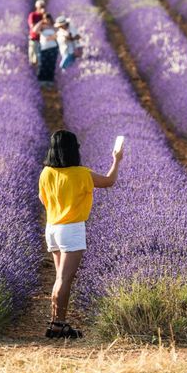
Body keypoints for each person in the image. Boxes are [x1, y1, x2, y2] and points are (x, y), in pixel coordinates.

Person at [38, 130, 122, 339]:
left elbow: (42, 199)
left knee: (59, 277)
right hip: (71, 229)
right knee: (65, 279)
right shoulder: (81, 173)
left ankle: (56, 322)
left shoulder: (46, 173)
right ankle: (59, 324)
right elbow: (109, 181)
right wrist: (117, 160)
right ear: (73, 149)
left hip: (52, 228)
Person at [36, 13, 59, 87]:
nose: (47, 20)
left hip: (53, 47)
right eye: (45, 19)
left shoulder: (53, 27)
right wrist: (40, 22)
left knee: (51, 65)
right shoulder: (42, 27)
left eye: (48, 19)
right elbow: (35, 30)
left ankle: (50, 80)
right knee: (42, 64)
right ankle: (42, 80)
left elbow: (58, 34)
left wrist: (51, 37)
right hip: (43, 48)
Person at [27, 0, 46, 66]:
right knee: (33, 59)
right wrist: (41, 22)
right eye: (41, 6)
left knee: (40, 59)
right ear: (37, 7)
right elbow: (32, 27)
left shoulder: (44, 16)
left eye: (43, 6)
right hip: (34, 39)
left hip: (42, 40)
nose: (42, 8)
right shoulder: (33, 15)